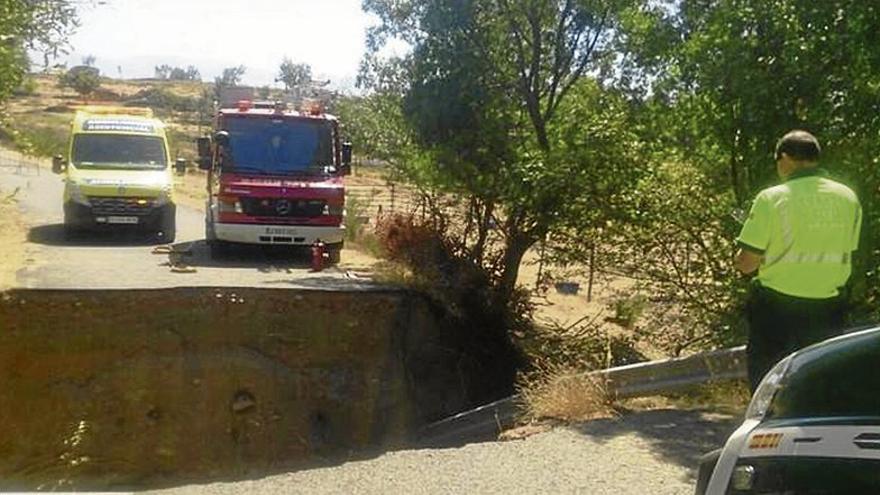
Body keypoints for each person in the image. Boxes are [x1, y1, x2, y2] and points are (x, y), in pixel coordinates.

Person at [734, 130, 862, 392]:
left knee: (768, 386)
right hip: (828, 308)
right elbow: (849, 249)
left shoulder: (772, 198)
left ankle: (770, 429)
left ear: (785, 158)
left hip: (777, 308)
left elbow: (747, 263)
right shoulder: (848, 198)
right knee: (821, 383)